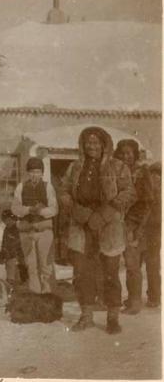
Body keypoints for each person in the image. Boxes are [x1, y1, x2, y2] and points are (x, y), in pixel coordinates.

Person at [59, 126, 136, 334]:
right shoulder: (75, 167)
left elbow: (129, 192)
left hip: (108, 226)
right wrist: (78, 211)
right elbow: (64, 191)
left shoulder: (118, 166)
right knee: (83, 274)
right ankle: (86, 316)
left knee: (110, 274)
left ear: (104, 144)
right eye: (88, 143)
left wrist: (106, 213)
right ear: (83, 145)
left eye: (96, 143)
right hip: (82, 226)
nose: (92, 146)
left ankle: (112, 317)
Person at [113, 139, 153, 314]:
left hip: (134, 223)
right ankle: (130, 298)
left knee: (132, 264)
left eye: (129, 153)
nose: (125, 156)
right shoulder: (117, 170)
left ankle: (135, 302)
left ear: (135, 154)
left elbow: (148, 201)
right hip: (117, 222)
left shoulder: (142, 172)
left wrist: (138, 228)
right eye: (122, 153)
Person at [11, 157, 58, 294]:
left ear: (42, 173)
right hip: (27, 231)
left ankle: (47, 296)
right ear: (27, 173)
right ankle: (35, 297)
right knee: (31, 266)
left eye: (37, 172)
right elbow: (15, 208)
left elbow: (54, 209)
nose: (34, 175)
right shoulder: (21, 187)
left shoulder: (48, 187)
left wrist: (41, 211)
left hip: (44, 231)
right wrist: (28, 210)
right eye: (31, 172)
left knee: (45, 266)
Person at [142, 161, 161, 308]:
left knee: (153, 264)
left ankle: (154, 297)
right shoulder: (147, 190)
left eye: (159, 175)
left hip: (156, 232)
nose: (156, 177)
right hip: (145, 231)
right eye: (153, 174)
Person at [0, 209, 24, 286]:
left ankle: (18, 283)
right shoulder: (7, 229)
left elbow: (20, 243)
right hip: (9, 256)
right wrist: (1, 255)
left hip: (18, 256)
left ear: (14, 219)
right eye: (4, 220)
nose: (6, 222)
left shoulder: (19, 229)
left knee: (17, 271)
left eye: (9, 220)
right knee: (10, 270)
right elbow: (4, 243)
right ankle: (11, 283)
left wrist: (15, 253)